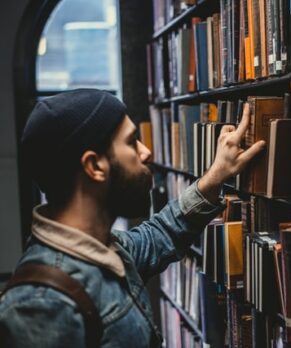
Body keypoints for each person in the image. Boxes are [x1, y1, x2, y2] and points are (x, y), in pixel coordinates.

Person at [0, 89, 265, 347]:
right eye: (131, 142)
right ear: (94, 166)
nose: (146, 152)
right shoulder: (41, 304)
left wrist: (215, 176)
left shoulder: (106, 249)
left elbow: (161, 234)